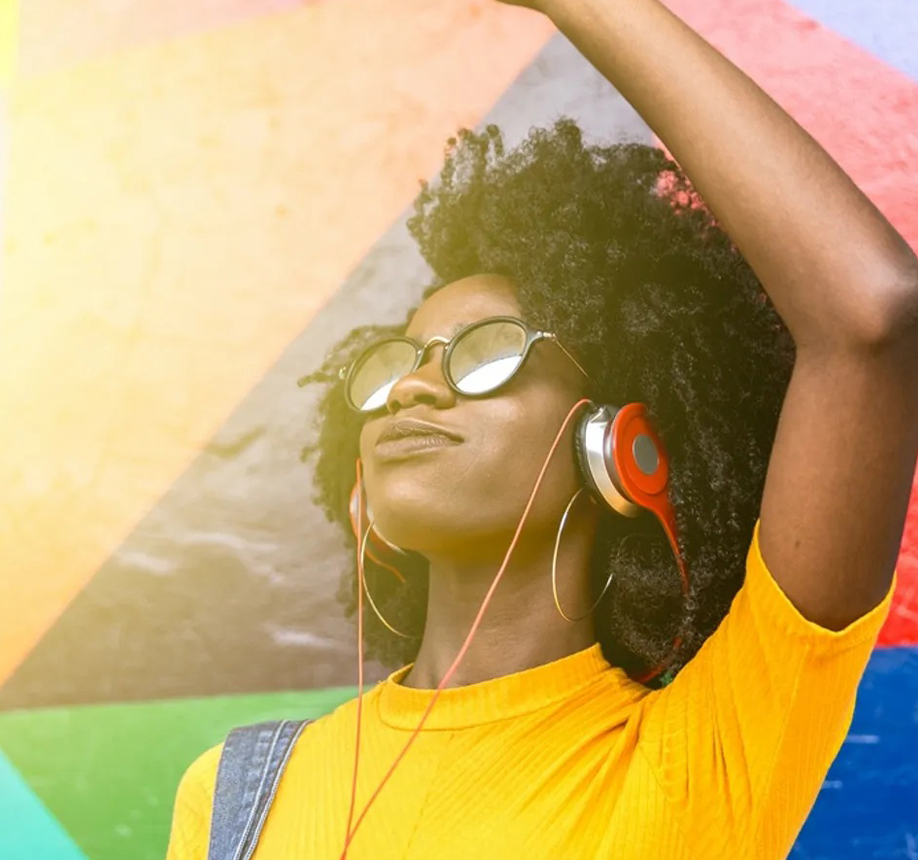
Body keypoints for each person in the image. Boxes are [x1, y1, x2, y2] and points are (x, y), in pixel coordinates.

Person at [165, 0, 918, 858]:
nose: (413, 389)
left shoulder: (701, 754)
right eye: (399, 360)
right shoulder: (235, 793)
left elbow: (871, 314)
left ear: (618, 442)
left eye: (483, 352)